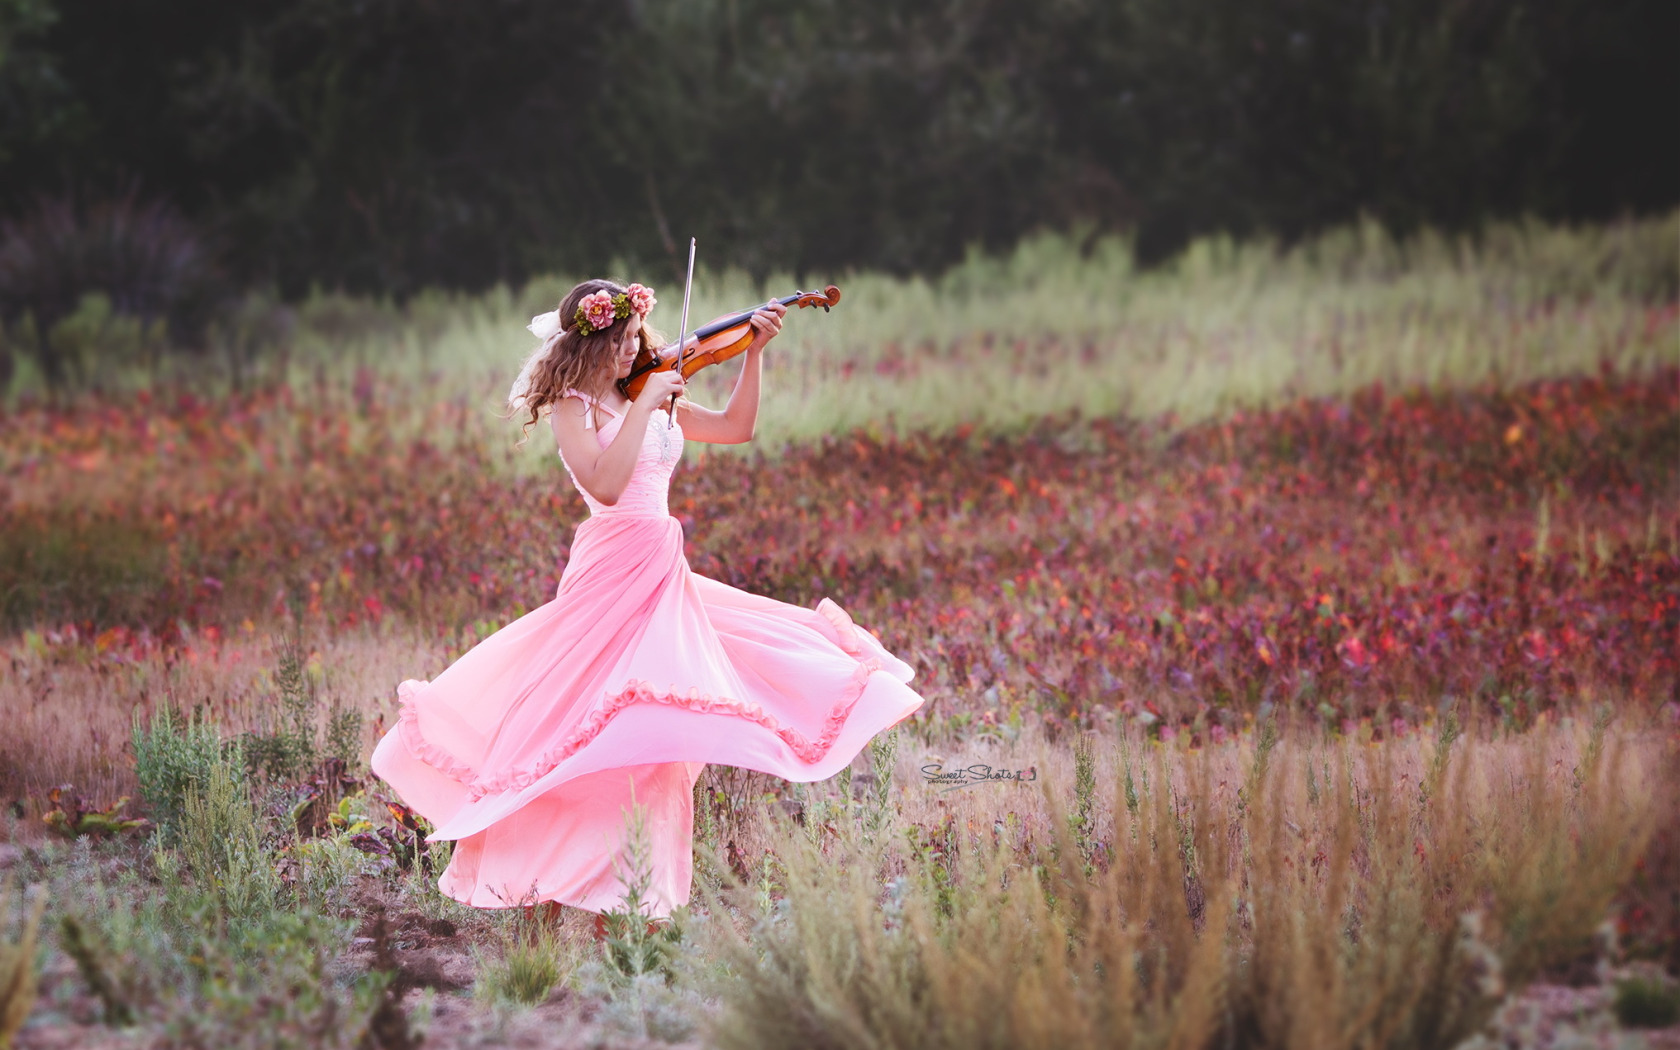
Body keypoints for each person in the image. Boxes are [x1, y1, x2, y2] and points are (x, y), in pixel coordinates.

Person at [369, 278, 925, 922]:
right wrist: (645, 406)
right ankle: (540, 899)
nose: (636, 350)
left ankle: (628, 903)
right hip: (609, 570)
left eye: (639, 338)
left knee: (657, 730)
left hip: (662, 564)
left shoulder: (649, 389)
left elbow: (736, 428)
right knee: (575, 725)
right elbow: (605, 486)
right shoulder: (575, 406)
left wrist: (754, 354)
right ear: (594, 341)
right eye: (624, 339)